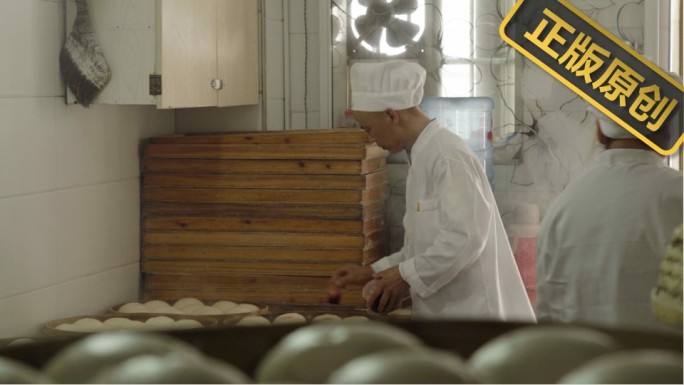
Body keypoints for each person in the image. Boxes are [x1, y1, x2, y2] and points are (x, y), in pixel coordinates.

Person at [328, 60, 536, 322]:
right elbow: (423, 246)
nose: (369, 138)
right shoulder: (422, 154)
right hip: (450, 317)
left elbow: (465, 238)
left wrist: (404, 277)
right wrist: (374, 272)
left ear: (392, 115)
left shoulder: (447, 155)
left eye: (368, 128)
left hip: (475, 317)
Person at [535, 102, 683, 333]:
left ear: (600, 133)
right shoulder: (677, 195)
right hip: (667, 364)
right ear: (668, 134)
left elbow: (548, 315)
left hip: (587, 362)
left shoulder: (563, 206)